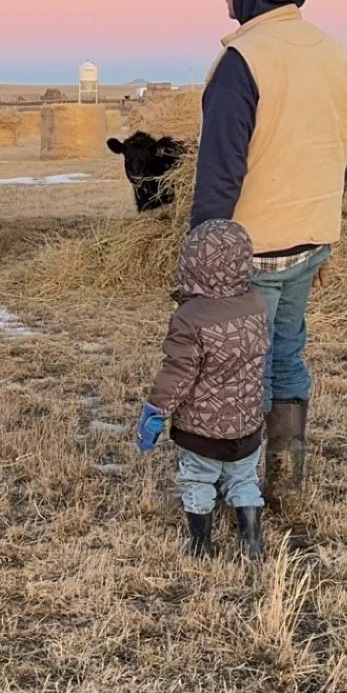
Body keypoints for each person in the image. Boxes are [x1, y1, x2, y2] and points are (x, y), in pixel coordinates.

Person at [189, 0, 347, 498]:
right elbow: (342, 149)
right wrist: (325, 226)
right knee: (285, 352)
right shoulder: (333, 53)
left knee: (235, 372)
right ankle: (284, 478)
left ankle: (236, 490)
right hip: (312, 238)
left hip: (251, 249)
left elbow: (219, 175)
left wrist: (200, 261)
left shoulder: (243, 60)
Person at [136, 218, 268, 560]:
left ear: (192, 262)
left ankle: (200, 544)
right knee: (244, 480)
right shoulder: (256, 303)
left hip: (202, 429)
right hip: (248, 423)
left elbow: (178, 371)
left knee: (197, 481)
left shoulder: (190, 316)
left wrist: (156, 410)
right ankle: (252, 542)